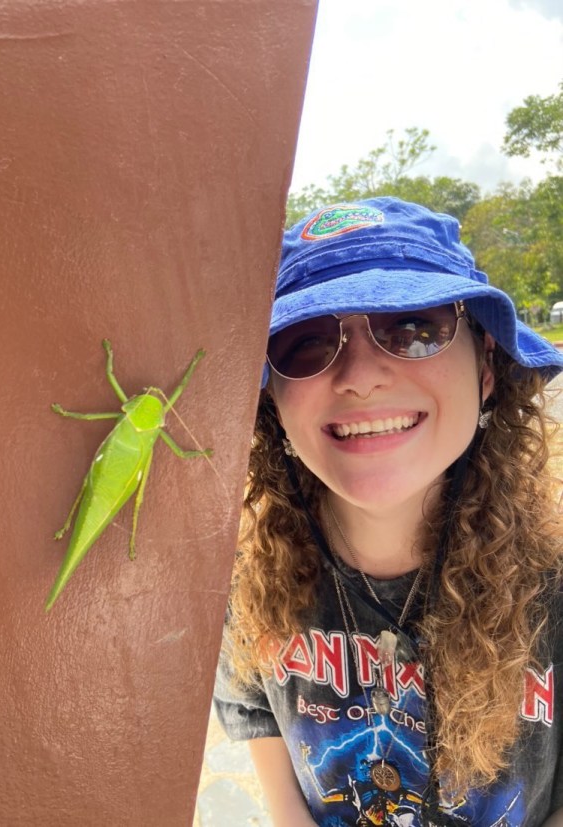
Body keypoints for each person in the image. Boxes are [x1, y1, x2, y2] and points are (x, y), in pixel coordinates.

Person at [214, 198, 563, 827]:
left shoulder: (555, 584)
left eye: (412, 328)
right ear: (271, 395)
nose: (362, 376)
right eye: (307, 342)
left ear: (485, 366)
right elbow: (253, 710)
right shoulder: (241, 577)